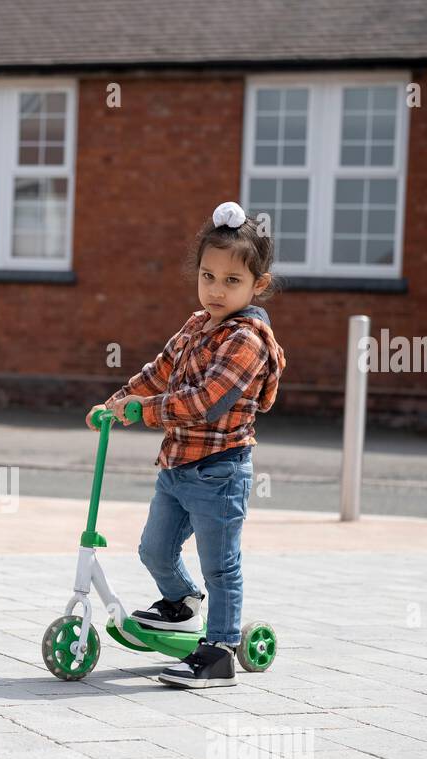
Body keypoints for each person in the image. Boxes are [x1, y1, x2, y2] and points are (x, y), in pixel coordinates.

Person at [85, 201, 287, 688]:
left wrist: (146, 411)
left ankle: (218, 652)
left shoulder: (249, 340)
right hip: (177, 466)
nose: (216, 290)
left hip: (220, 470)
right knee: (153, 549)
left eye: (232, 281)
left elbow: (206, 403)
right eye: (208, 276)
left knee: (222, 566)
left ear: (258, 285)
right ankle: (181, 604)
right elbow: (158, 372)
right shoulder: (196, 326)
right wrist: (116, 403)